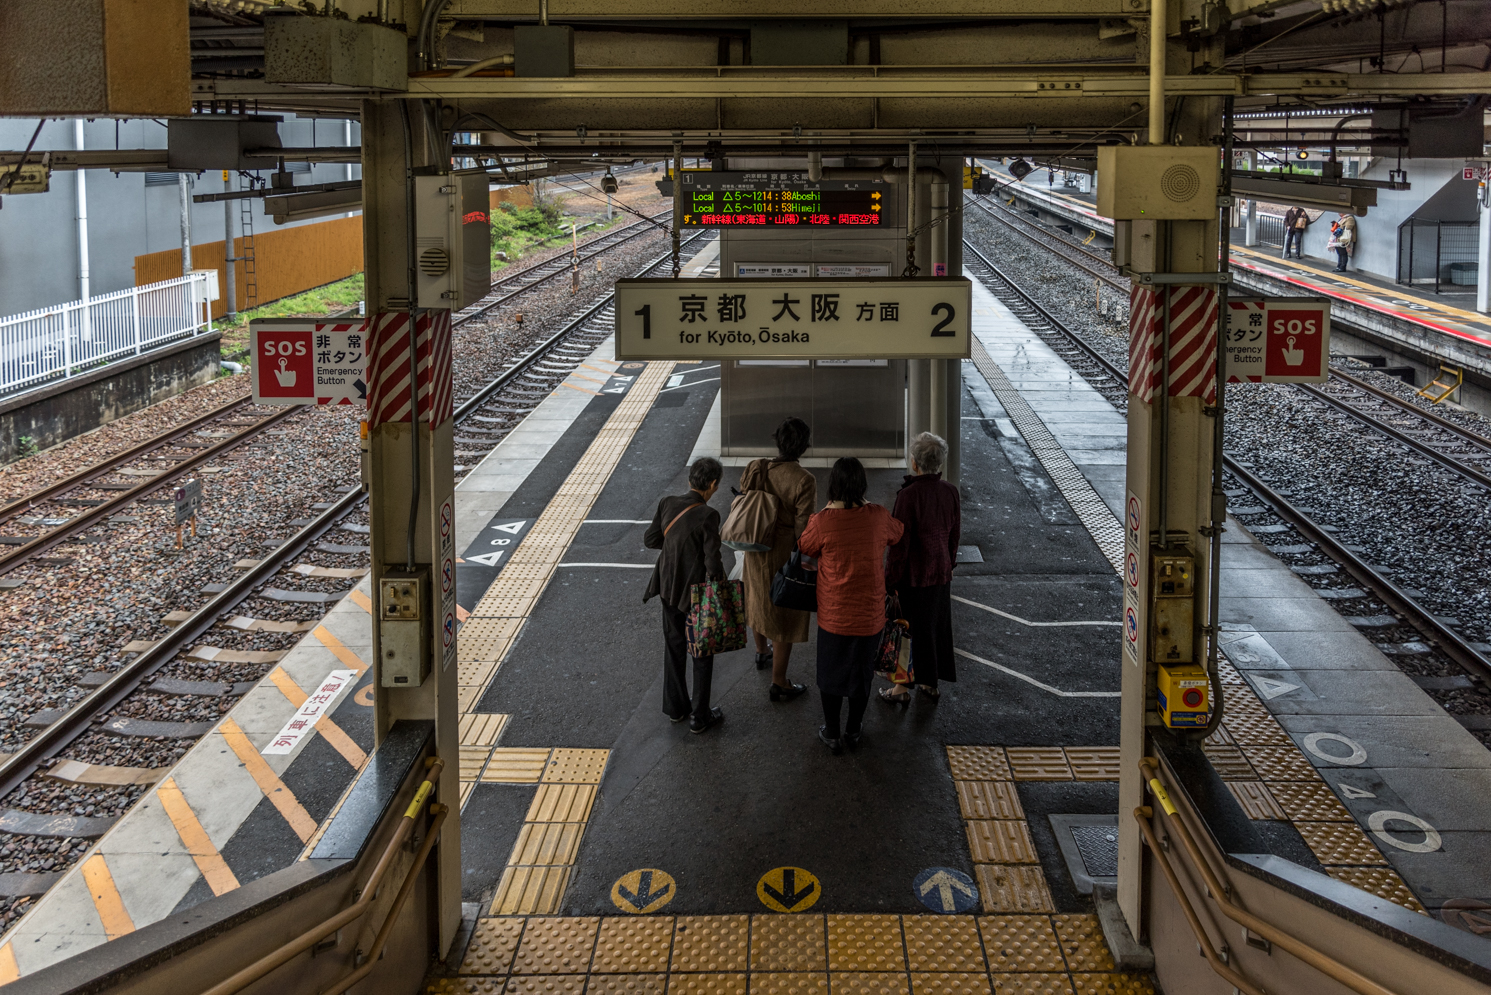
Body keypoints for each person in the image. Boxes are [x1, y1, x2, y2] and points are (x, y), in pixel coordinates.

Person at [798, 457, 904, 754]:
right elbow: (898, 533)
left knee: (830, 675)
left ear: (833, 486)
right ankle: (854, 730)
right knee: (861, 675)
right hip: (870, 617)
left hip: (833, 617)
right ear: (862, 485)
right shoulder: (878, 516)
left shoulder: (822, 522)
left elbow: (804, 545)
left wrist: (823, 512)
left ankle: (831, 732)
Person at [643, 457, 726, 734]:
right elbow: (713, 565)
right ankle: (700, 716)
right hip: (695, 595)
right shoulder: (708, 515)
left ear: (691, 480)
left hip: (667, 588)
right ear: (713, 484)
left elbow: (651, 539)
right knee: (701, 651)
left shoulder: (667, 503)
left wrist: (676, 550)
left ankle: (676, 708)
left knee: (674, 647)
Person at [881, 432, 962, 704]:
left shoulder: (909, 496)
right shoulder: (950, 491)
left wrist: (890, 580)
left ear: (915, 464)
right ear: (940, 463)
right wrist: (948, 563)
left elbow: (899, 545)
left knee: (907, 631)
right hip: (940, 572)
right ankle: (930, 682)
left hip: (913, 576)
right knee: (934, 628)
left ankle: (901, 689)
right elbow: (954, 535)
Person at [740, 417, 816, 702]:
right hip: (783, 551)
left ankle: (761, 652)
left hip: (754, 544)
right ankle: (780, 681)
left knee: (758, 598)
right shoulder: (804, 480)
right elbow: (804, 527)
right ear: (804, 447)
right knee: (784, 612)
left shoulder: (756, 467)